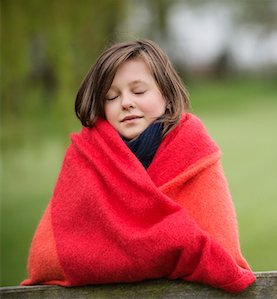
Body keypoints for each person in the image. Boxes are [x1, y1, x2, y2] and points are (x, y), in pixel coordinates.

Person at [21, 39, 255, 293]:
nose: (126, 102)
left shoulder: (195, 152)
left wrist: (117, 253)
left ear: (166, 94)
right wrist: (176, 246)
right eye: (111, 96)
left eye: (139, 91)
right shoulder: (85, 156)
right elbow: (46, 259)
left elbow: (223, 256)